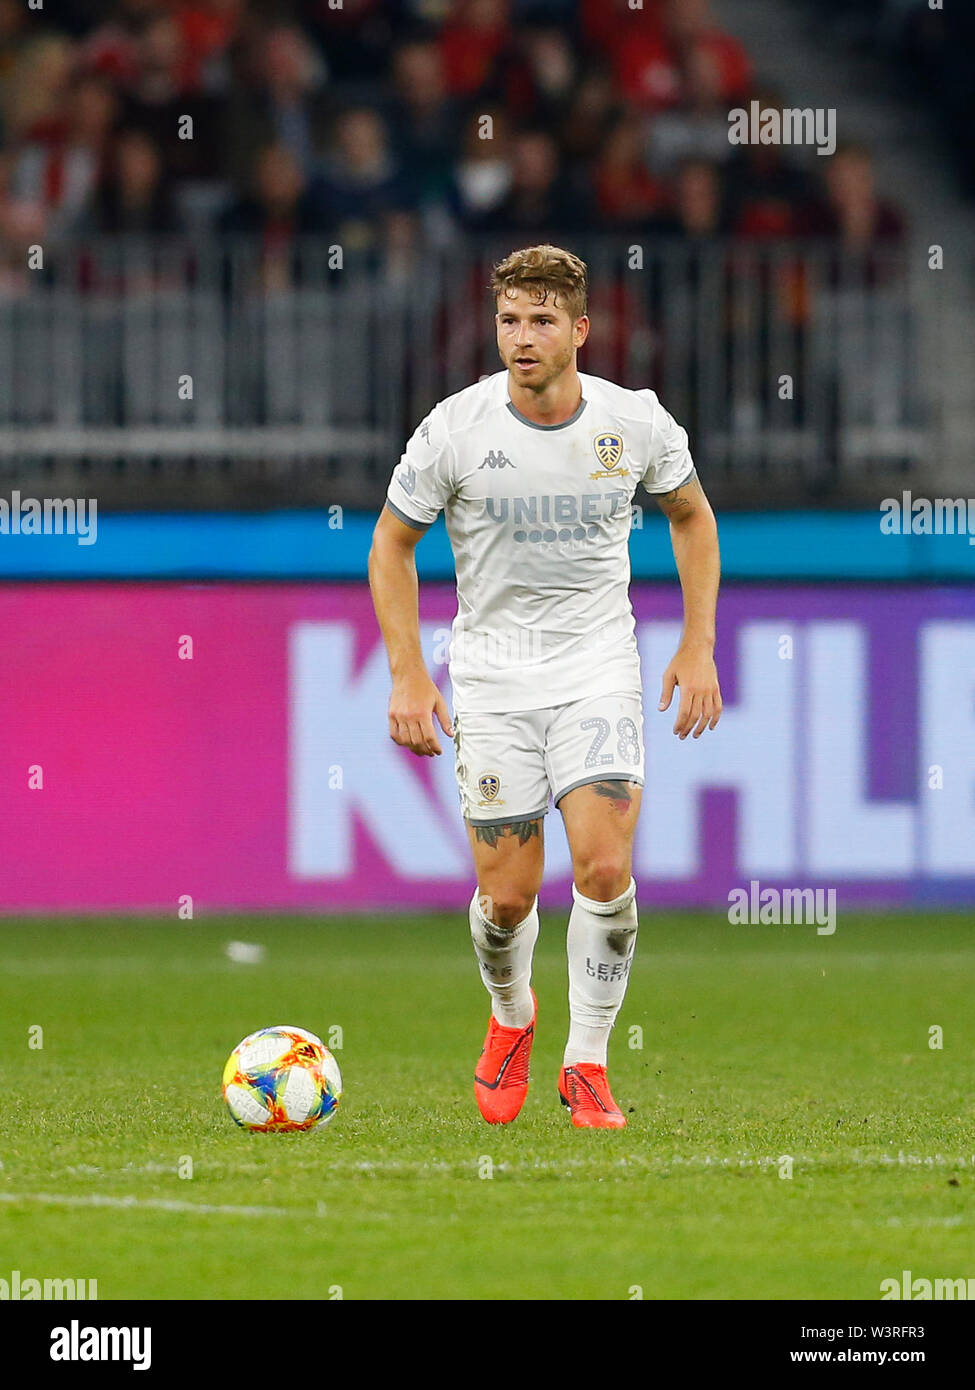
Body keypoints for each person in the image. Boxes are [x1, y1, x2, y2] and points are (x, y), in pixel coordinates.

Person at [368, 244, 722, 1129]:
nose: (520, 339)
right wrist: (409, 671)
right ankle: (511, 1017)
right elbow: (390, 545)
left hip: (596, 666)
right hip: (490, 676)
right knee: (508, 896)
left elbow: (691, 516)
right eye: (507, 321)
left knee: (604, 863)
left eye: (539, 322)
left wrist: (698, 644)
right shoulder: (454, 429)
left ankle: (588, 1063)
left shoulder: (633, 423)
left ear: (579, 330)